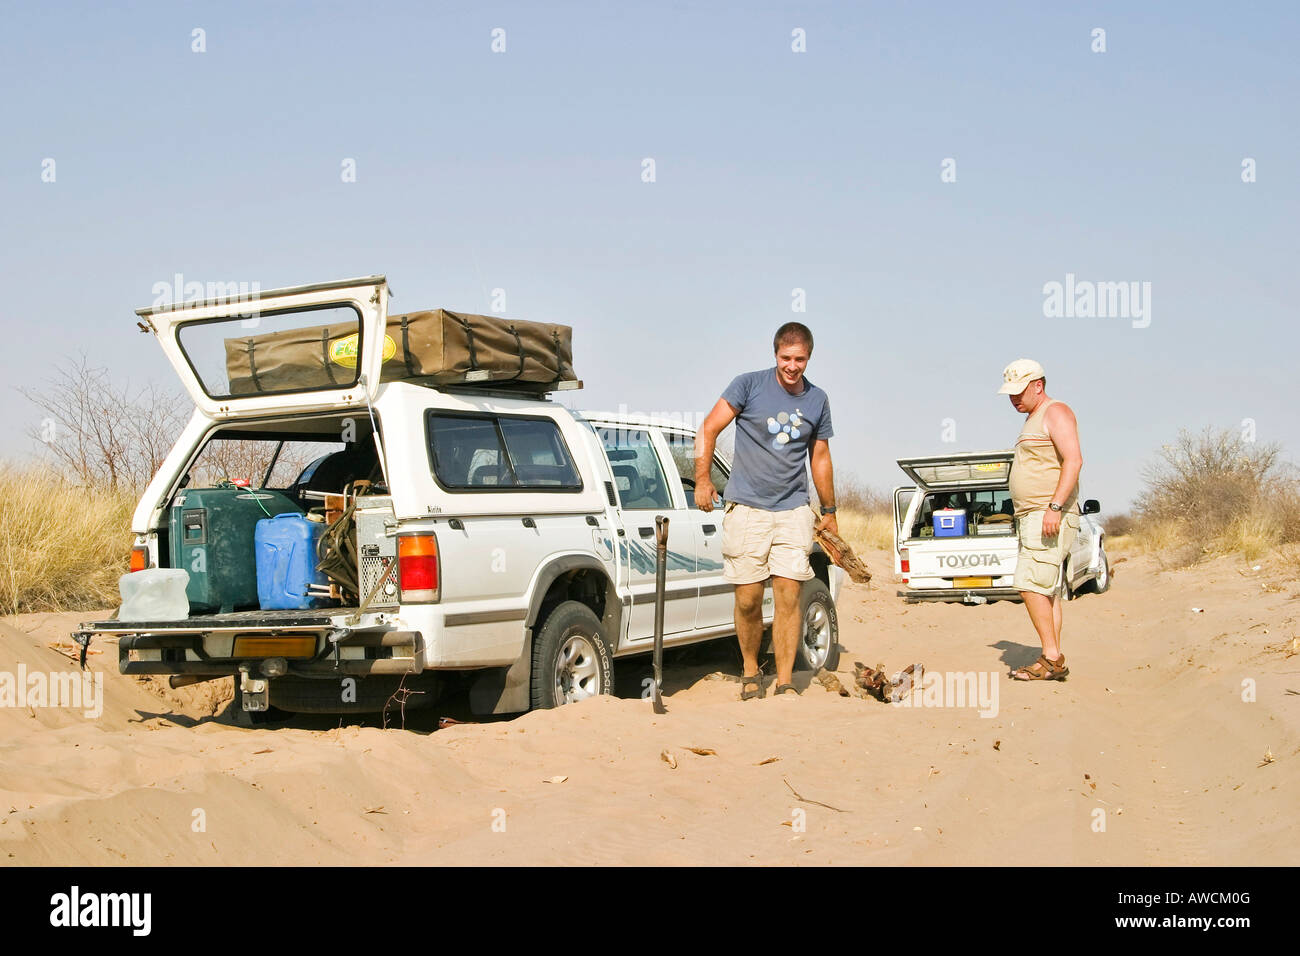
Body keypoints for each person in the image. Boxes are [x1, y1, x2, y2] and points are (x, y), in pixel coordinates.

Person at [693, 323, 837, 699]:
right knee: (748, 598)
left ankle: (786, 679)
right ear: (775, 355)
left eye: (800, 359)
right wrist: (703, 479)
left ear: (809, 357)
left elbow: (819, 455)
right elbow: (708, 428)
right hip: (748, 509)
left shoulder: (817, 399)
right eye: (786, 358)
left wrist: (830, 509)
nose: (793, 366)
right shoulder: (748, 385)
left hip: (793, 511)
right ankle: (751, 669)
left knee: (789, 596)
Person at [998, 358, 1083, 680]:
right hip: (1033, 515)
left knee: (1028, 585)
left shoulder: (1056, 412)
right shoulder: (1034, 418)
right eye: (1009, 394)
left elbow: (1073, 460)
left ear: (1039, 385)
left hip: (1046, 514)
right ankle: (1053, 657)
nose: (1014, 399)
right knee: (1045, 590)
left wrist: (1055, 507)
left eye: (1019, 392)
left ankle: (1051, 657)